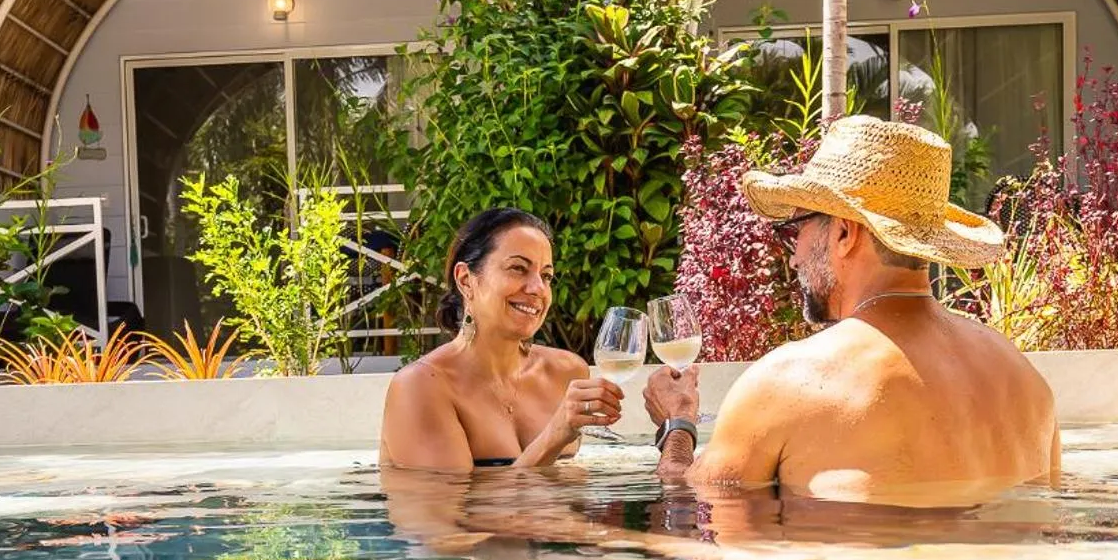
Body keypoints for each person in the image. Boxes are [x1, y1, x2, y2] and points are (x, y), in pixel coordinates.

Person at [645, 116, 1061, 508]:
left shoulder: (790, 382)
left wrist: (677, 425)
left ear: (844, 233)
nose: (793, 258)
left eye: (797, 229)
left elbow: (704, 514)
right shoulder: (1028, 384)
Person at [378, 208, 626, 469]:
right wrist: (555, 434)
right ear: (465, 280)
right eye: (518, 268)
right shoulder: (422, 386)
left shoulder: (566, 372)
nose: (538, 289)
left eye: (546, 276)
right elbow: (450, 507)